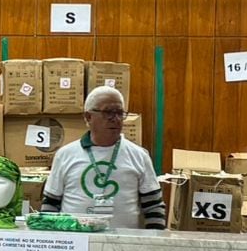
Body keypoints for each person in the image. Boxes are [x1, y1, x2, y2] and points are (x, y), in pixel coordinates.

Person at [41, 87, 166, 229]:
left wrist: (154, 241)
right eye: (108, 112)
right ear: (88, 117)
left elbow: (154, 207)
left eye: (120, 113)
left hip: (123, 246)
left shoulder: (139, 156)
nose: (116, 119)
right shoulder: (65, 155)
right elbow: (50, 204)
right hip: (76, 244)